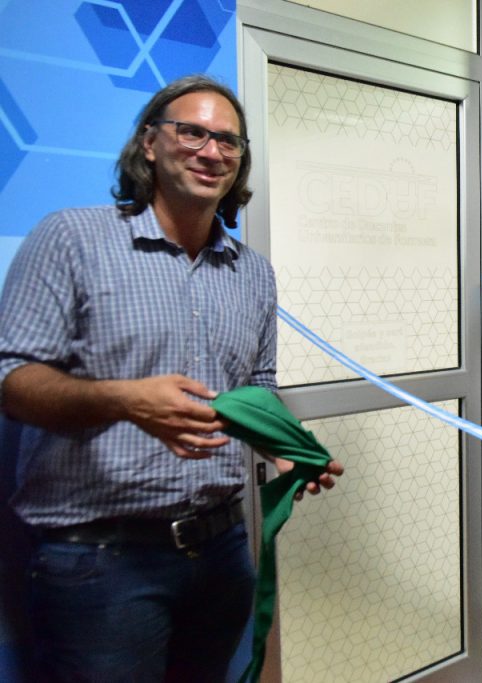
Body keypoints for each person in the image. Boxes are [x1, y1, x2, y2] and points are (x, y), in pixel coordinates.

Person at [0, 74, 343, 682]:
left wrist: (286, 452)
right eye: (193, 132)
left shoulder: (252, 274)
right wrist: (123, 401)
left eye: (229, 143)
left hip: (220, 551)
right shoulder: (72, 238)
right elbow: (11, 380)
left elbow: (256, 387)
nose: (212, 152)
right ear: (149, 144)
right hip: (99, 561)